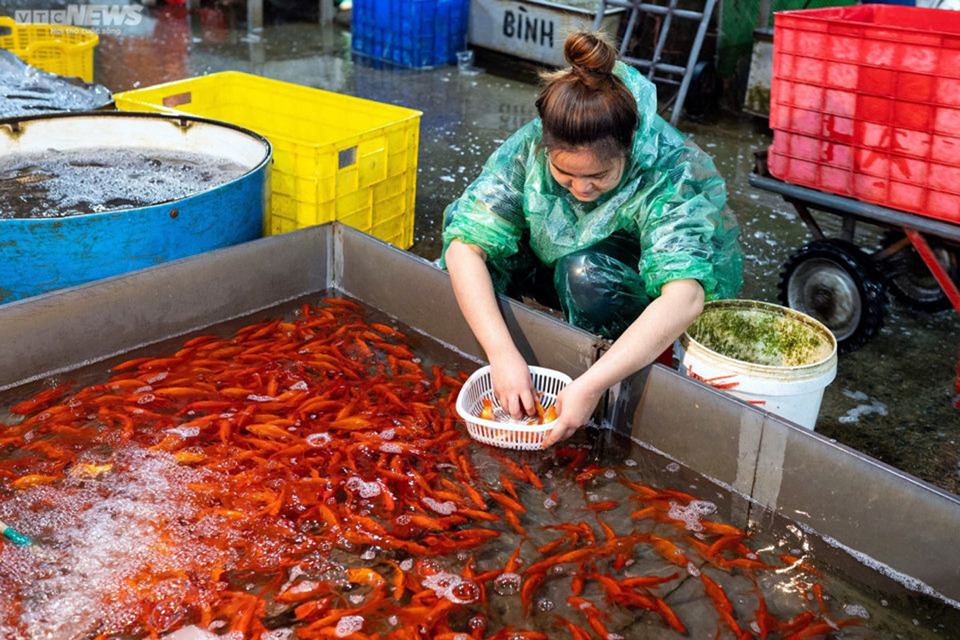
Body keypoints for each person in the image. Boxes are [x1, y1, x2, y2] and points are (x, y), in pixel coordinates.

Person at [441, 31, 743, 448]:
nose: (581, 188)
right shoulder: (530, 147)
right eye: (566, 174)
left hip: (622, 282)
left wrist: (591, 386)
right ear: (547, 148)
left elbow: (684, 294)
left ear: (627, 149)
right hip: (553, 262)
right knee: (483, 260)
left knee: (584, 276)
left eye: (598, 177)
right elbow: (464, 246)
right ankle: (522, 359)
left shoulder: (667, 168)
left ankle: (615, 372)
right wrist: (502, 355)